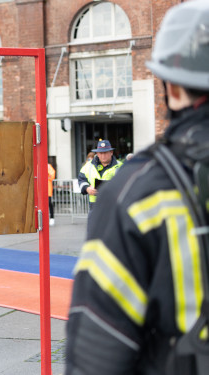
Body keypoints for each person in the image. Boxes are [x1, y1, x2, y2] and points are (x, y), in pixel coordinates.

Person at [66, 1, 209, 374]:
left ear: (172, 87)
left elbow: (96, 352)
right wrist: (88, 191)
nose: (105, 155)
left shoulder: (137, 192)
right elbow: (83, 182)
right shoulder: (109, 176)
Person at [77, 140, 122, 212]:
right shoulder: (88, 166)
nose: (103, 156)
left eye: (105, 153)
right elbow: (81, 180)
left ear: (111, 152)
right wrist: (87, 188)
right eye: (101, 153)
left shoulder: (120, 166)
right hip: (94, 205)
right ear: (97, 153)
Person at [48, 162, 56, 226]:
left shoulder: (48, 166)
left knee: (49, 203)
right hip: (39, 188)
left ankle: (52, 217)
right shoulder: (37, 165)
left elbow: (52, 175)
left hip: (48, 188)